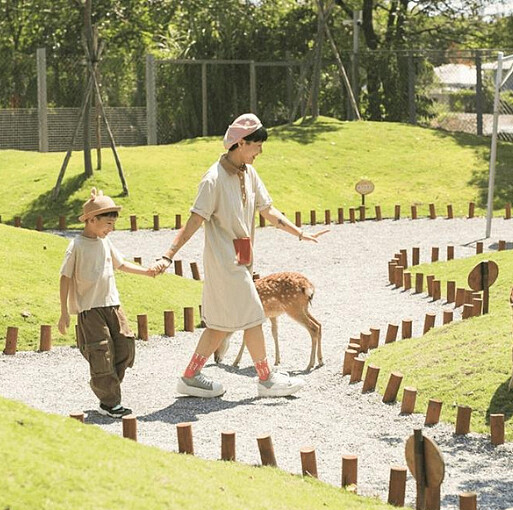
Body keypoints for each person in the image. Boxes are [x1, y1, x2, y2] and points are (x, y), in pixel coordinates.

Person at [150, 113, 319, 398]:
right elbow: (194, 220)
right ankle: (267, 380)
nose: (260, 152)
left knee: (218, 324)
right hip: (224, 263)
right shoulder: (212, 180)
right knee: (254, 314)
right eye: (257, 146)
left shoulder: (250, 174)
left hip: (241, 260)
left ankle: (190, 376)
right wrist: (168, 255)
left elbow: (268, 211)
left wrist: (299, 233)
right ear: (241, 143)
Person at [58, 188, 162, 417]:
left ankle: (105, 385)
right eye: (107, 224)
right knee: (101, 353)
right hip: (90, 310)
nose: (110, 229)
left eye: (113, 225)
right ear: (91, 220)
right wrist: (64, 312)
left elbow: (121, 264)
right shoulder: (76, 246)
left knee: (125, 347)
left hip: (113, 305)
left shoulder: (105, 242)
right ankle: (109, 402)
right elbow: (65, 277)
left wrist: (148, 272)